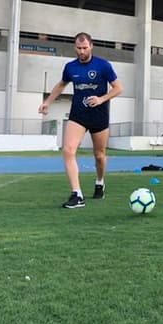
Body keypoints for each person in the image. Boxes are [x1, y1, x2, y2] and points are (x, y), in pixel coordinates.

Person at [39, 32, 123, 209]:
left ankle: (100, 182)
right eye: (79, 48)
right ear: (75, 47)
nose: (82, 51)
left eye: (85, 48)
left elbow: (118, 88)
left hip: (99, 116)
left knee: (99, 156)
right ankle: (77, 195)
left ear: (91, 46)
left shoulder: (103, 66)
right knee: (68, 150)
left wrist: (101, 99)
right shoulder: (71, 67)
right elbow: (62, 84)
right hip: (78, 115)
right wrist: (47, 102)